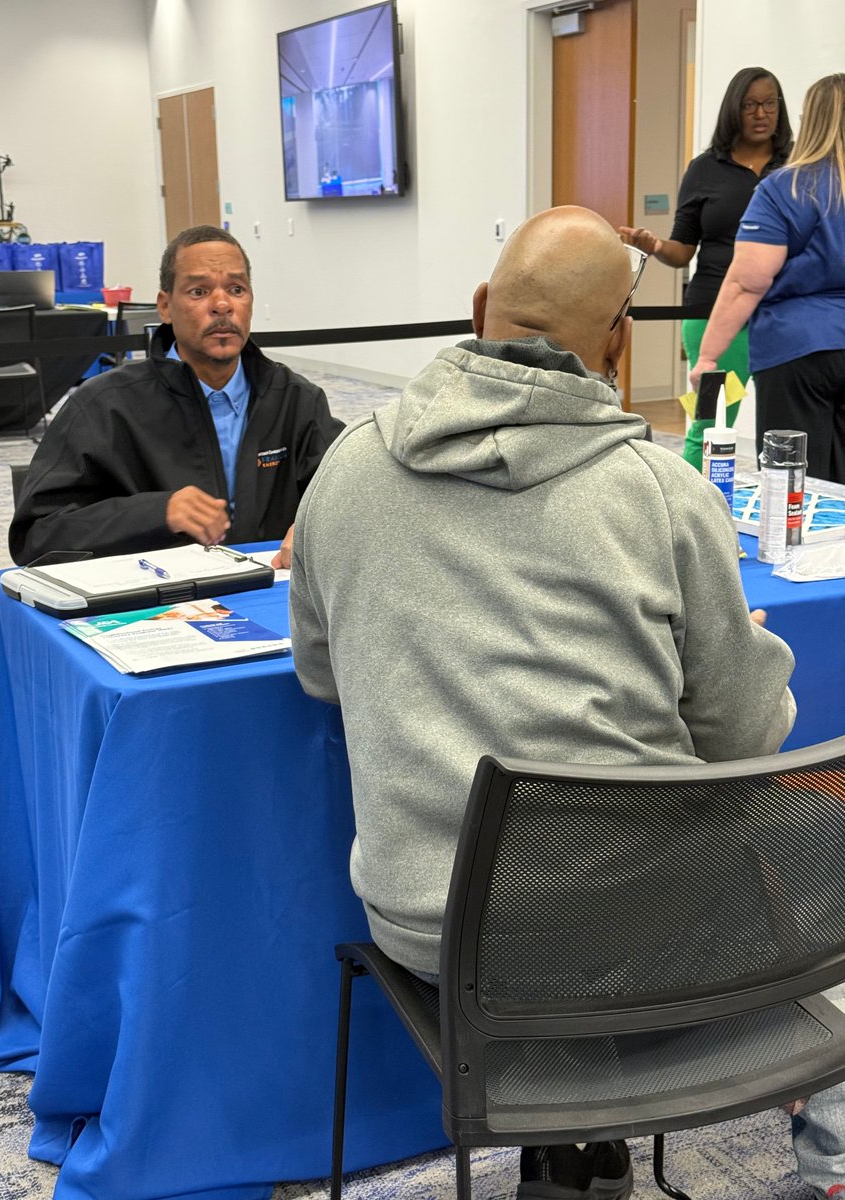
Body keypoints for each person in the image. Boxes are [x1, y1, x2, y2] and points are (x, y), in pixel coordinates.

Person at [288, 206, 796, 1200]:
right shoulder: (660, 492)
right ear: (617, 345)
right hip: (646, 933)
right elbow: (745, 732)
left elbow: (320, 674)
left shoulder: (342, 474)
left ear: (480, 310)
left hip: (435, 934)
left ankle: (567, 1152)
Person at [8, 225, 343, 566]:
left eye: (237, 289)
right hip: (151, 607)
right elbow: (37, 536)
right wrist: (157, 512)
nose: (222, 305)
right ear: (165, 307)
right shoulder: (104, 406)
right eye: (199, 291)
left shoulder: (295, 400)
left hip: (269, 599)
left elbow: (357, 498)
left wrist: (308, 530)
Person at [621, 66, 792, 470]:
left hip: (782, 316)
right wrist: (656, 245)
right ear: (734, 110)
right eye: (750, 105)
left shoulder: (797, 165)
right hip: (714, 314)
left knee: (789, 429)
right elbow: (683, 250)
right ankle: (690, 518)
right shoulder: (705, 169)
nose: (761, 113)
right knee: (711, 423)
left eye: (769, 103)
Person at [691, 73, 845, 486]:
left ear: (810, 119)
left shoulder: (786, 188)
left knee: (794, 486)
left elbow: (747, 282)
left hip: (797, 352)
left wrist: (708, 357)